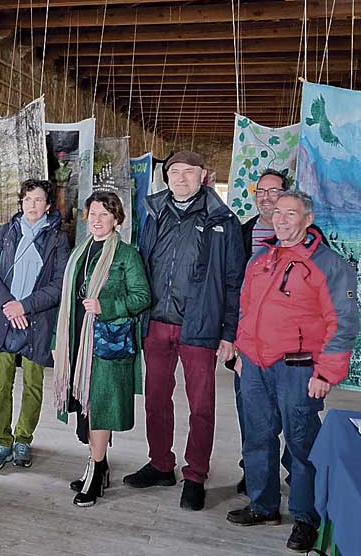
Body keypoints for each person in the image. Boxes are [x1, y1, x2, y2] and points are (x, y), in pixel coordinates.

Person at [227, 190, 360, 553]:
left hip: (299, 369)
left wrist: (326, 373)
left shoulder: (329, 265)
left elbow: (344, 322)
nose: (281, 219)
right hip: (255, 365)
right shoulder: (260, 259)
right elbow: (245, 307)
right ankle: (263, 505)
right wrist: (240, 351)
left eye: (290, 213)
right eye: (277, 213)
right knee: (256, 438)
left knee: (302, 445)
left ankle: (305, 517)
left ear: (308, 219)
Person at [124, 151, 246, 511]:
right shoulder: (154, 213)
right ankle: (161, 464)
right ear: (167, 177)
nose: (180, 178)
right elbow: (142, 263)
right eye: (174, 172)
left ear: (203, 175)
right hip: (157, 322)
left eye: (188, 172)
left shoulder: (223, 220)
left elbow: (233, 281)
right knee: (156, 399)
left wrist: (229, 331)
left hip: (200, 326)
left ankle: (195, 476)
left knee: (202, 406)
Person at [51, 191, 151, 507]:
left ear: (117, 219)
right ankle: (99, 464)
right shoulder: (79, 252)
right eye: (93, 213)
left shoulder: (126, 255)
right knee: (87, 409)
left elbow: (142, 297)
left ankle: (96, 472)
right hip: (77, 342)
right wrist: (58, 343)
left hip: (107, 342)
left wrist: (105, 305)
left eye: (105, 214)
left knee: (101, 407)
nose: (97, 219)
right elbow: (66, 300)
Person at [0, 179, 68, 471]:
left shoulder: (58, 239)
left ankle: (23, 438)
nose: (32, 206)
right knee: (1, 385)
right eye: (27, 200)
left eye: (38, 200)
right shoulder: (6, 232)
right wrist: (8, 304)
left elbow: (59, 284)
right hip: (4, 319)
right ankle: (2, 442)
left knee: (32, 385)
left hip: (36, 321)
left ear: (49, 205)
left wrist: (24, 306)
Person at [234, 168, 294, 493]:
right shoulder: (241, 234)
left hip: (287, 349)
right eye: (261, 192)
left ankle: (295, 479)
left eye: (274, 192)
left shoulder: (303, 239)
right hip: (248, 346)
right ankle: (254, 473)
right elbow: (233, 290)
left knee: (292, 418)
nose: (267, 198)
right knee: (251, 415)